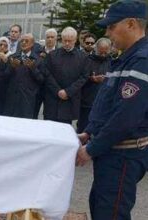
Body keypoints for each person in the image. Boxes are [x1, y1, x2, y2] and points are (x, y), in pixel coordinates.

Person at [76, 1, 148, 220]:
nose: (107, 33)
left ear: (131, 24)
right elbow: (106, 102)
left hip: (123, 155)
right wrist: (89, 132)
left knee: (111, 213)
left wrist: (91, 148)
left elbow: (125, 117)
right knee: (99, 206)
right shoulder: (125, 58)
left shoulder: (142, 61)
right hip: (111, 153)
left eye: (111, 26)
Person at [43, 26, 89, 124]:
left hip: (70, 99)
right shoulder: (52, 55)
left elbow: (84, 77)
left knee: (65, 129)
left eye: (70, 41)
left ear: (75, 40)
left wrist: (68, 92)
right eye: (65, 40)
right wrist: (58, 91)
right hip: (53, 98)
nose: (67, 43)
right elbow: (47, 74)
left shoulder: (83, 57)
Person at [4, 34, 44, 119]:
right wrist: (12, 67)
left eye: (27, 41)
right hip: (12, 100)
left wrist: (33, 68)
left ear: (32, 44)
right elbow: (5, 77)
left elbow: (42, 79)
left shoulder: (38, 60)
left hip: (28, 100)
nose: (24, 43)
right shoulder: (12, 57)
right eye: (22, 41)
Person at [77, 38, 111, 133]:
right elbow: (79, 78)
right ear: (96, 49)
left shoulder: (112, 62)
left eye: (106, 53)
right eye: (101, 53)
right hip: (87, 101)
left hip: (104, 102)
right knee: (83, 129)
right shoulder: (87, 60)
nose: (103, 55)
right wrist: (91, 79)